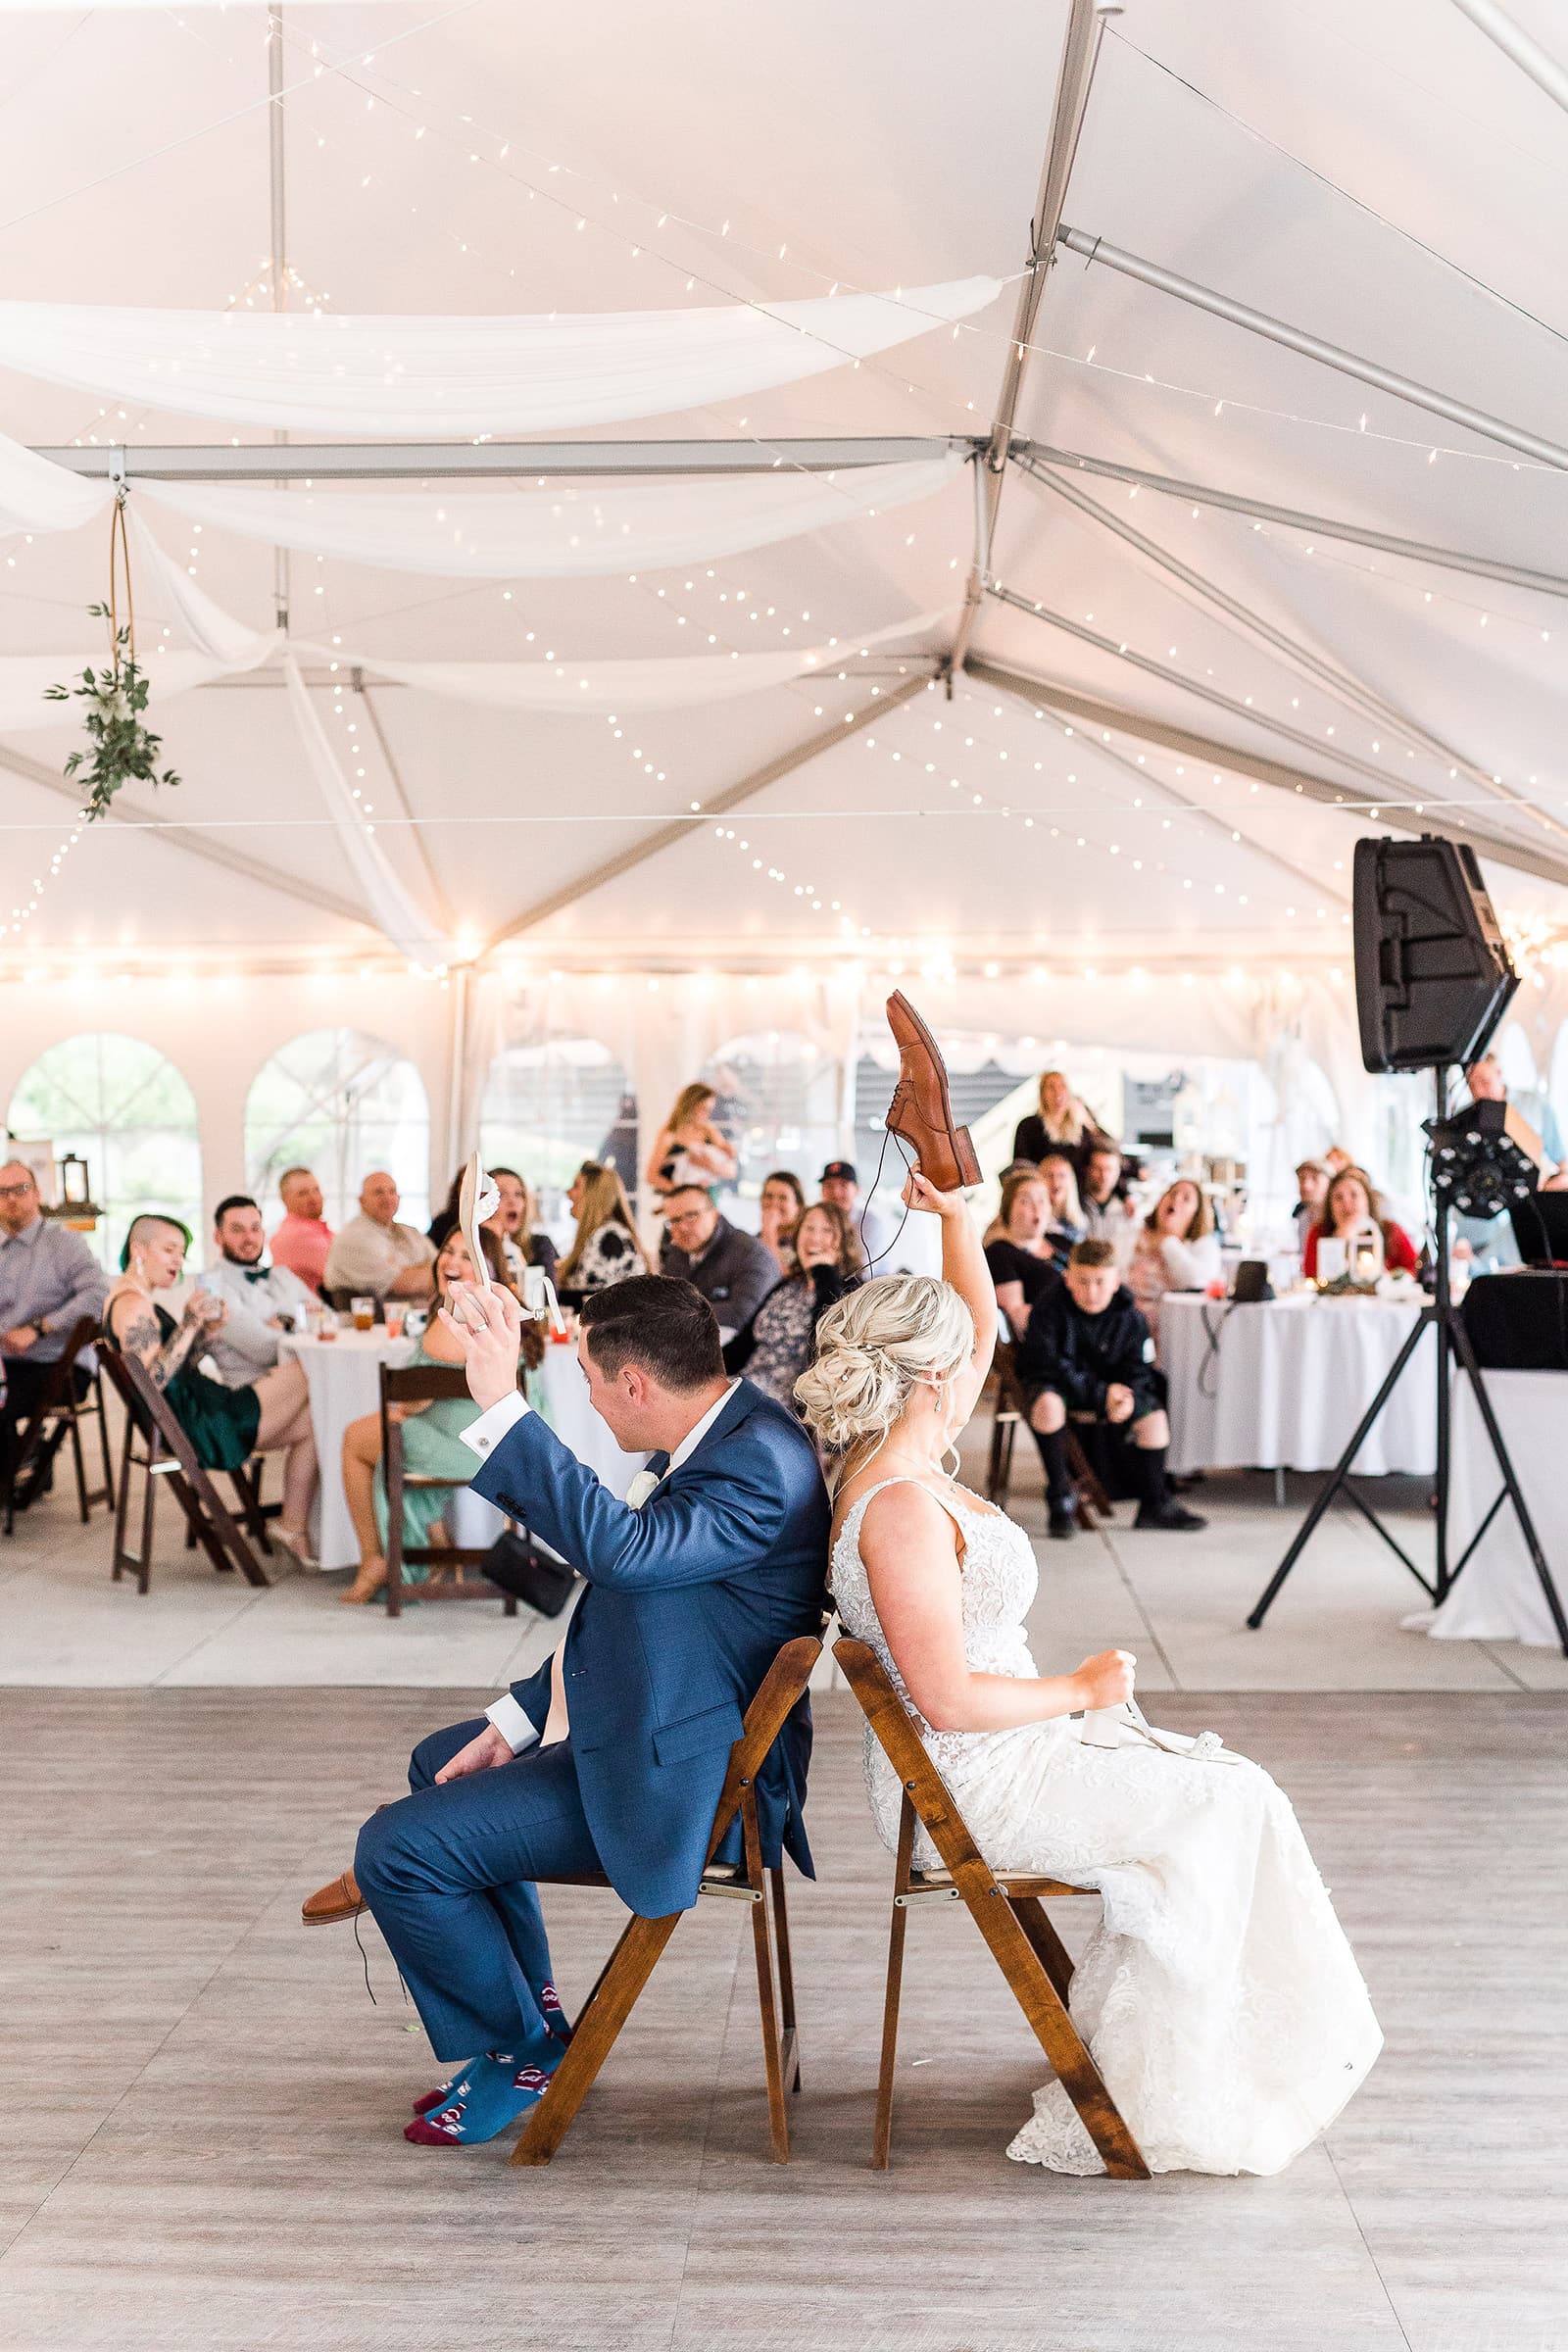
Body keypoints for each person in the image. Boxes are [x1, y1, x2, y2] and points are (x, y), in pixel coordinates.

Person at [800, 1171, 1381, 2177]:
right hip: (971, 1779)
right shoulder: (896, 1508)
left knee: (1231, 1790)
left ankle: (1188, 2053)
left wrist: (953, 1220)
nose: (987, 1365)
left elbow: (978, 1324)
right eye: (967, 1361)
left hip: (1007, 1747)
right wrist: (1079, 1692)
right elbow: (942, 1697)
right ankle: (1163, 2077)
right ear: (931, 1378)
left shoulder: (897, 1451)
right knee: (1227, 1801)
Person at [326, 1273, 830, 2148]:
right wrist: (513, 1724)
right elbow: (635, 1616)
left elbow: (623, 1554)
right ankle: (532, 2025)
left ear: (635, 1381)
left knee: (396, 1848)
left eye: (592, 1383)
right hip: (667, 1715)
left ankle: (518, 2047)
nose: (591, 1404)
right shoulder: (733, 1433)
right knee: (436, 1762)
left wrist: (499, 1405)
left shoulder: (758, 1464)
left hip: (698, 1781)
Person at [337, 1226, 542, 1608]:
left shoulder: (461, 1315)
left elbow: (418, 1396)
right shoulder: (500, 1311)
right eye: (448, 1251)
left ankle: (375, 1560)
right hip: (495, 1440)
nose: (451, 1261)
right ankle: (433, 1542)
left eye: (467, 1257)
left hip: (469, 1445)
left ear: (490, 1270)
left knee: (355, 1439)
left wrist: (399, 1409)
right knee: (383, 1431)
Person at [103, 1213, 318, 1561]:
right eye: (169, 1249)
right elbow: (153, 1382)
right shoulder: (132, 1305)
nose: (178, 1260)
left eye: (182, 1252)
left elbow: (176, 1367)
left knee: (312, 1422)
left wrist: (205, 1333)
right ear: (138, 1250)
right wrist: (189, 1322)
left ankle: (291, 1525)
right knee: (308, 1369)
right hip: (200, 1423)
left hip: (198, 1410)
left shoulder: (139, 1299)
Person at [1016, 1238, 1204, 1540]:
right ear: (1068, 1278)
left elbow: (1140, 1368)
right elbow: (1049, 1366)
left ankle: (1155, 1504)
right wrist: (1102, 1394)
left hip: (1113, 1392)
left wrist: (1126, 1395)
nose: (1091, 1291)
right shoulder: (1048, 1309)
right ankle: (1060, 1499)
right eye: (1083, 1281)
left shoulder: (1131, 1316)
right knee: (1046, 1406)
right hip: (1062, 1388)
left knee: (1154, 1418)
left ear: (1116, 1281)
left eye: (1100, 1282)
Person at [0, 1157, 110, 1509]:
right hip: (6, 1365)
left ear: (38, 1193)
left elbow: (97, 1294)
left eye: (21, 1189)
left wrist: (39, 1328)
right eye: (2, 1193)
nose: (12, 1199)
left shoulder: (64, 1243)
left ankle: (18, 1468)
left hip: (59, 1364)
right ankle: (19, 1463)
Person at [722, 1200, 859, 1412]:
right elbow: (743, 1345)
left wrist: (824, 1273)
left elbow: (825, 1346)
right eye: (809, 1228)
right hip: (746, 1385)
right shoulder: (789, 1285)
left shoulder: (851, 1291)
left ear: (842, 1243)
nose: (815, 1237)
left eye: (827, 1231)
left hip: (788, 1404)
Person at [201, 1195, 318, 1387]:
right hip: (253, 1391)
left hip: (304, 1379)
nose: (249, 1238)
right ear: (218, 1237)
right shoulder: (211, 1286)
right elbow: (265, 1350)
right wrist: (300, 1323)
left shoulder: (283, 1275)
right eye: (237, 1230)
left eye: (255, 1229)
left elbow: (328, 1321)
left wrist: (286, 1323)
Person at [659, 1184, 778, 1333]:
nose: (682, 1227)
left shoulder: (751, 1254)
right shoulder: (677, 1253)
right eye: (675, 1220)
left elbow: (743, 1314)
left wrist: (676, 1315)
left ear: (715, 1214)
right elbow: (660, 1303)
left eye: (691, 1216)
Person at [1125, 1180, 1222, 1352]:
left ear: (1197, 1212)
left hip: (1178, 1334)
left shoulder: (1204, 1245)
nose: (1176, 1199)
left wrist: (1167, 1242)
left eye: (1186, 1198)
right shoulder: (1134, 1235)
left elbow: (1196, 1282)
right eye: (1172, 1193)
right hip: (1129, 1328)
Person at [429, 1165, 559, 1291]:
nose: (512, 1201)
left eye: (518, 1194)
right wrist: (490, 1239)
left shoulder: (540, 1244)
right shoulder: (466, 1242)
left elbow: (547, 1299)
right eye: (501, 1194)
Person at [323, 1172, 436, 1306]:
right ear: (361, 1200)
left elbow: (443, 1264)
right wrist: (427, 1269)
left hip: (417, 1320)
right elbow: (407, 1284)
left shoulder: (410, 1232)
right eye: (378, 1192)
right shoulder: (353, 1238)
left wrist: (413, 1270)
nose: (387, 1198)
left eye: (392, 1191)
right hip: (372, 1324)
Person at [984, 1168, 1062, 1344]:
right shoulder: (1000, 1253)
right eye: (1026, 1201)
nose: (1037, 1208)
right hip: (1050, 1344)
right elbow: (1018, 1320)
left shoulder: (1060, 1241)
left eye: (1042, 1200)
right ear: (1008, 1209)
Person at [1302, 1167, 1419, 1280]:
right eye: (1338, 1197)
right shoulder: (1318, 1233)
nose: (1346, 1202)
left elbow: (1414, 1269)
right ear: (1330, 1205)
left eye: (1354, 1195)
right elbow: (1312, 1277)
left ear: (1367, 1200)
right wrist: (1339, 1240)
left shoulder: (1390, 1230)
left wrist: (1389, 1278)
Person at [557, 1162, 647, 1296]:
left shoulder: (609, 1237)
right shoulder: (607, 1234)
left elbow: (593, 1297)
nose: (568, 1193)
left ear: (594, 1195)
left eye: (576, 1186)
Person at [1010, 1070, 1110, 1183]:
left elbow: (1109, 1150)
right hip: (1042, 1192)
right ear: (1042, 1094)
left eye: (1062, 1086)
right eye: (1051, 1087)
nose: (1057, 1092)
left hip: (1076, 1195)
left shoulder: (1082, 1128)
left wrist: (1089, 1123)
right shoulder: (1029, 1126)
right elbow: (1021, 1168)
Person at [644, 1082, 738, 1200]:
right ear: (690, 1106)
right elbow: (651, 1176)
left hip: (708, 1200)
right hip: (679, 1202)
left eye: (710, 1110)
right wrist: (684, 1192)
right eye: (703, 1109)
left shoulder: (709, 1131)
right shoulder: (669, 1134)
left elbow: (732, 1171)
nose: (707, 1115)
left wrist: (710, 1165)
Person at [820, 1159, 897, 1270]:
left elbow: (861, 1270)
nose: (836, 1192)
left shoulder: (870, 1223)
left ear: (857, 1190)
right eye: (829, 1186)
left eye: (843, 1185)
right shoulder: (817, 1220)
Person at [269, 1166, 334, 1297]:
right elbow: (347, 1273)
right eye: (302, 1193)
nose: (313, 1198)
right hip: (311, 1314)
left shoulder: (314, 1229)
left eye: (316, 1190)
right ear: (284, 1199)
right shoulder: (298, 1234)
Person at [1080, 1144, 1139, 1261]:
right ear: (1088, 1169)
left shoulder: (1129, 1211)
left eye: (1109, 1169)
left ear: (1118, 1171)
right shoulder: (1076, 1206)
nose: (1104, 1175)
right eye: (1098, 1168)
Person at [758, 1169, 808, 1274]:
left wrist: (770, 1232)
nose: (773, 1203)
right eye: (769, 1196)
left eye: (783, 1198)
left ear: (798, 1206)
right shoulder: (754, 1240)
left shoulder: (804, 1243)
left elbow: (780, 1278)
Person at [1037, 1151, 1087, 1252]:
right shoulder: (1033, 1219)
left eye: (1061, 1176)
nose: (1055, 1182)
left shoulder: (1081, 1222)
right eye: (1049, 1175)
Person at [1293, 1158, 1331, 1245]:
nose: (1306, 1186)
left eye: (1315, 1179)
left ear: (1330, 1183)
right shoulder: (1303, 1217)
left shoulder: (1338, 1219)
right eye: (1302, 1179)